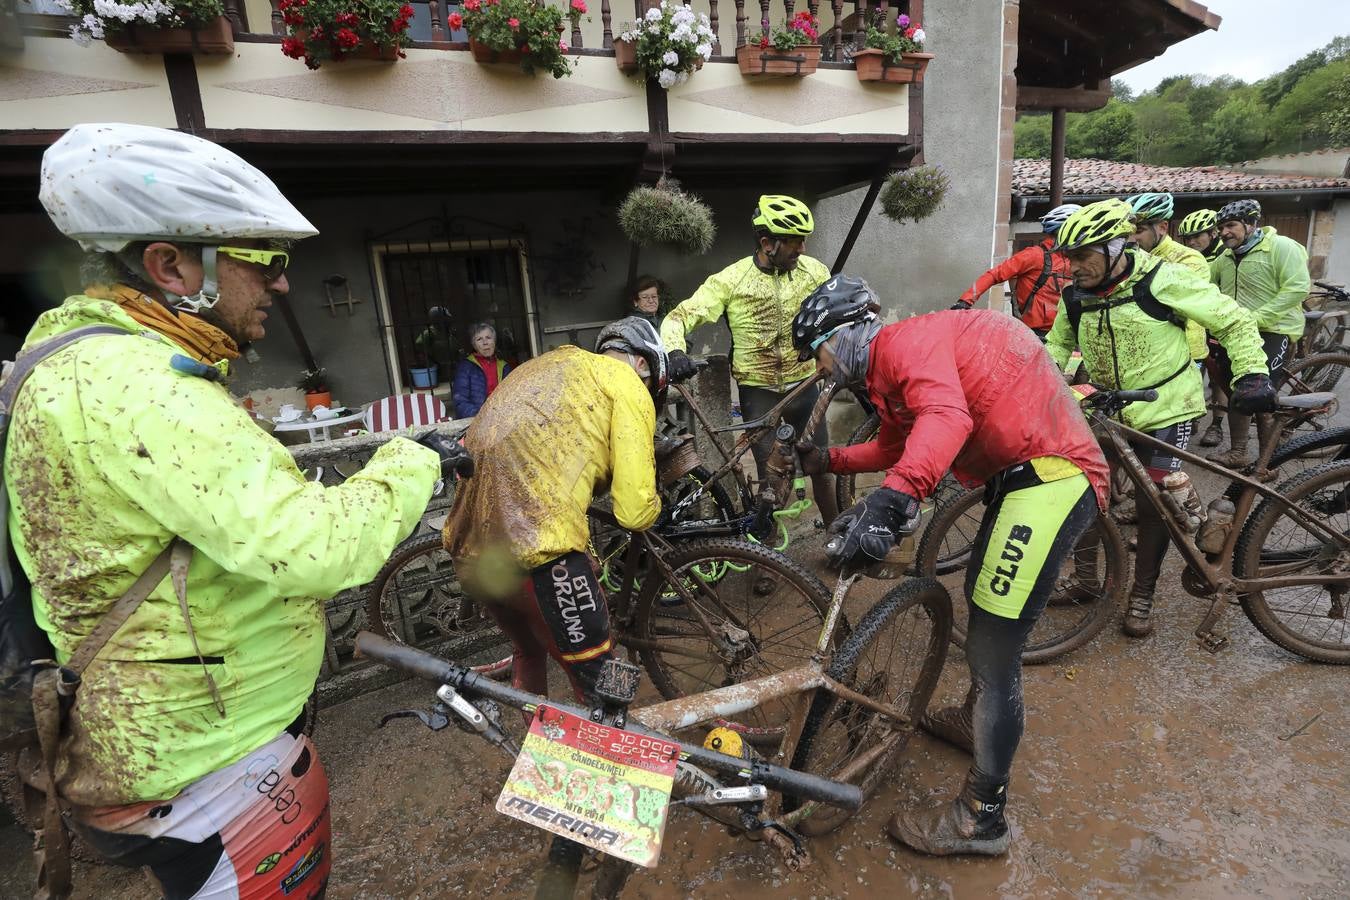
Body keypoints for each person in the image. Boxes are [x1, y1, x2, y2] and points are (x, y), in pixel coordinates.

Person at [14, 123, 469, 898]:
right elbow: (318, 545)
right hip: (205, 758)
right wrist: (412, 456)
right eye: (266, 264)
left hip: (159, 734)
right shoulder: (143, 390)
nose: (282, 285)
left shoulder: (68, 359)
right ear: (171, 265)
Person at [790, 276, 1111, 858]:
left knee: (993, 647)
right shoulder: (890, 373)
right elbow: (894, 445)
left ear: (846, 336)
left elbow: (946, 418)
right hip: (1025, 480)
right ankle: (973, 722)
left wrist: (893, 500)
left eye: (820, 354)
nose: (822, 371)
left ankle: (981, 820)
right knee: (984, 612)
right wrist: (829, 459)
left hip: (1053, 479)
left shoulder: (906, 344)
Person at [1045, 199, 1274, 638]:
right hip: (1108, 408)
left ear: (1116, 247)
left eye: (1082, 256)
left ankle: (1141, 595)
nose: (1072, 267)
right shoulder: (1076, 295)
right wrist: (1039, 381)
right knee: (1084, 491)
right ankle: (1088, 581)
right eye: (1068, 257)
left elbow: (1232, 319)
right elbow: (1058, 345)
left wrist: (1251, 373)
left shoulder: (1161, 279)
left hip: (1166, 405)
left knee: (1156, 505)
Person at [442, 317, 674, 703]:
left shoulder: (547, 365)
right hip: (542, 559)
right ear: (643, 366)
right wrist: (656, 503)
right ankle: (605, 758)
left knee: (529, 651)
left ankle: (532, 748)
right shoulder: (627, 385)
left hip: (471, 557)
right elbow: (634, 513)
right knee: (602, 687)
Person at [661, 195, 837, 523]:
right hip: (758, 391)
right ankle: (765, 556)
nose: (802, 249)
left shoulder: (814, 271)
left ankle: (838, 537)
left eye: (804, 241)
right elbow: (679, 317)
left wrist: (831, 346)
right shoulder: (732, 280)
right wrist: (674, 350)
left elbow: (833, 314)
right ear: (768, 243)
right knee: (769, 480)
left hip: (804, 384)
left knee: (822, 467)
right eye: (795, 242)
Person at [1206, 198, 1312, 469]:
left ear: (1252, 223)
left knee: (1261, 396)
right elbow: (1204, 286)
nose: (1224, 232)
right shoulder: (1225, 257)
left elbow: (1297, 288)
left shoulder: (1281, 247)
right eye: (1221, 227)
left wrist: (1257, 318)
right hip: (1237, 332)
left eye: (1231, 225)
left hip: (1274, 330)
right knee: (1236, 392)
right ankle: (1239, 451)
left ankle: (1268, 462)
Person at [950, 203, 1079, 339]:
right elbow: (995, 274)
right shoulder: (1034, 255)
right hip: (1034, 334)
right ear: (1063, 231)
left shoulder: (1076, 260)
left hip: (1066, 333)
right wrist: (965, 302)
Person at [1126, 192, 1211, 363]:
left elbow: (1177, 307)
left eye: (1139, 231)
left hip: (1184, 352)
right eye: (1128, 232)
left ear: (1163, 227)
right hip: (1147, 352)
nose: (1132, 239)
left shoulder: (1189, 259)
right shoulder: (1131, 257)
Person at [452, 321, 512, 418]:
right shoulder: (466, 367)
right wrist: (479, 417)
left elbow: (513, 395)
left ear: (494, 341)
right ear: (474, 345)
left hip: (501, 417)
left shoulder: (504, 366)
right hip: (476, 419)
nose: (485, 343)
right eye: (479, 339)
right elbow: (460, 401)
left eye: (488, 338)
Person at [413, 304, 456, 378]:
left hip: (453, 367)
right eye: (445, 318)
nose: (448, 320)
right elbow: (419, 348)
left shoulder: (449, 332)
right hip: (438, 370)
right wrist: (430, 364)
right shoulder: (429, 333)